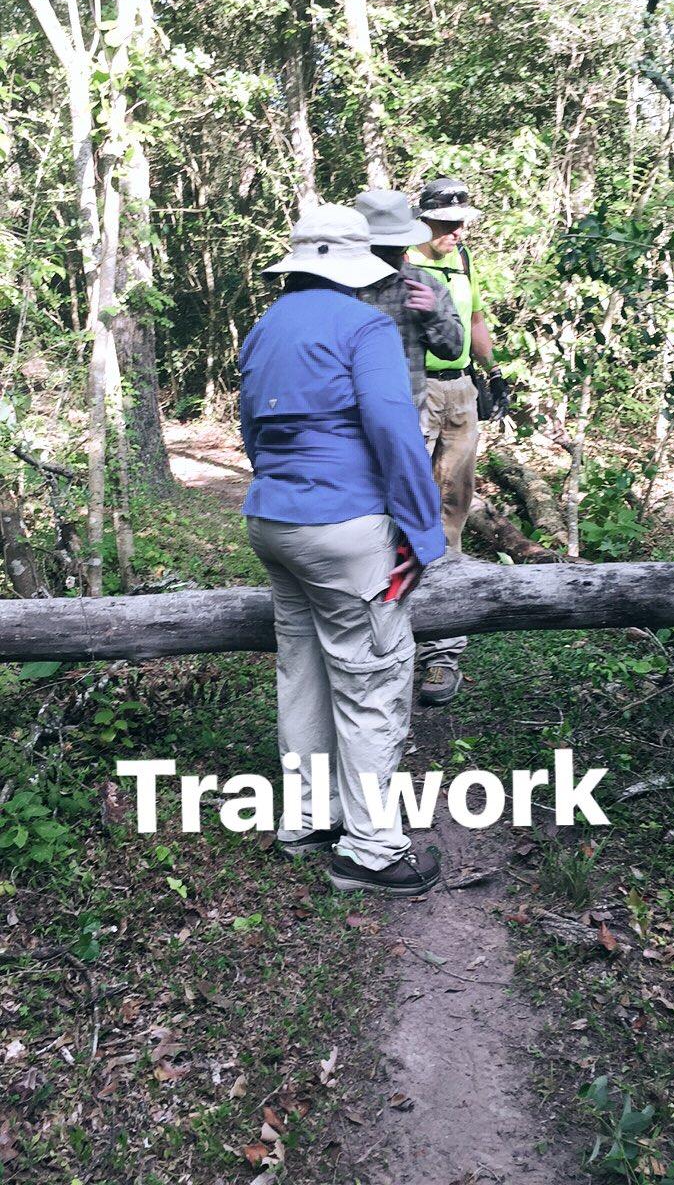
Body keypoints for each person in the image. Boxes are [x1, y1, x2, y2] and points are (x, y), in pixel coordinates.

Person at [239, 204, 446, 896]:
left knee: (303, 671)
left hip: (273, 523)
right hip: (347, 531)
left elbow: (252, 432)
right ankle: (372, 850)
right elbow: (395, 432)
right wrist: (422, 533)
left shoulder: (263, 327)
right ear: (354, 267)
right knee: (370, 678)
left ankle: (308, 819)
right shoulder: (365, 325)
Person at [407, 177, 511, 707]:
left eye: (461, 221)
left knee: (453, 506)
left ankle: (442, 648)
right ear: (421, 219)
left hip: (460, 390)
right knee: (406, 505)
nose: (454, 230)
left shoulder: (465, 260)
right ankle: (395, 626)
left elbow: (475, 318)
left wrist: (494, 374)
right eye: (445, 222)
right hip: (413, 389)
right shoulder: (397, 261)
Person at [353, 190, 464, 423]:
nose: (387, 255)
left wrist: (434, 314)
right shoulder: (339, 283)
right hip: (348, 416)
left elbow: (453, 350)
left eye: (395, 247)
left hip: (407, 414)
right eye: (379, 247)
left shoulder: (423, 283)